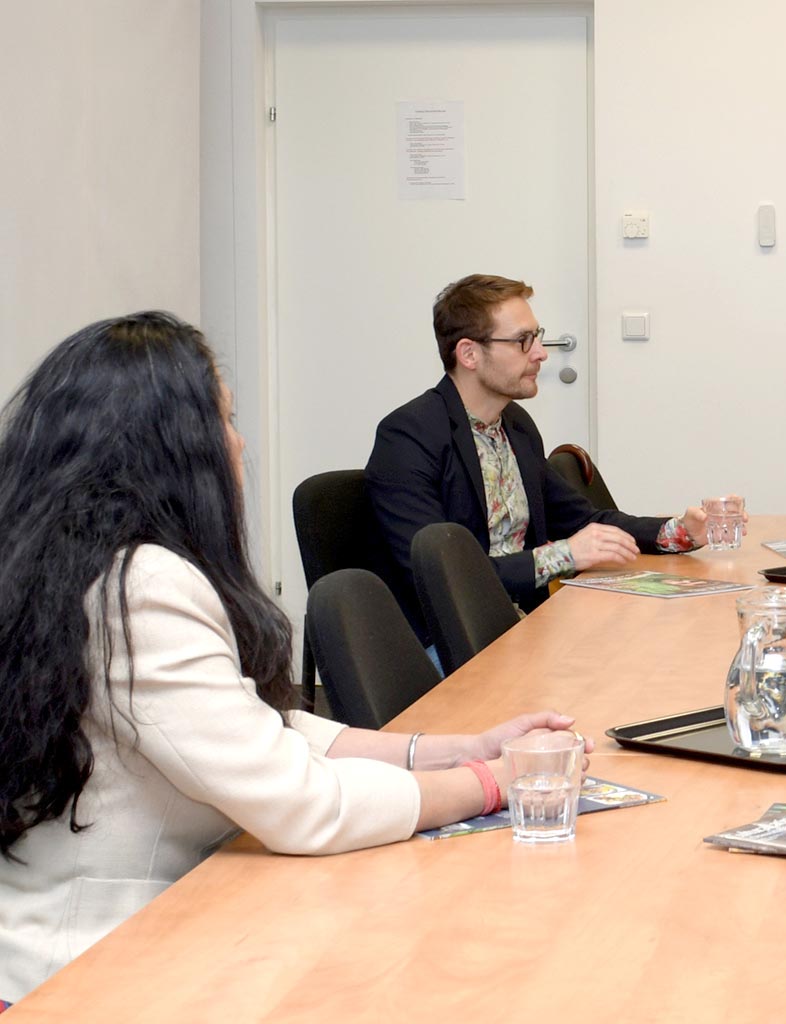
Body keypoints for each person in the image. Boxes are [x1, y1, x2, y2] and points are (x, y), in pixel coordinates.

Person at [0, 312, 592, 1003]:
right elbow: (302, 804)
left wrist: (459, 749)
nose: (239, 442)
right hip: (97, 971)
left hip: (124, 939)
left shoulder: (74, 566)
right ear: (169, 448)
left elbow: (253, 724)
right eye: (224, 420)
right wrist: (494, 784)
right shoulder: (143, 588)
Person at [366, 273, 729, 640]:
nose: (540, 353)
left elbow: (583, 521)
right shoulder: (407, 436)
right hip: (453, 639)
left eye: (537, 336)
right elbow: (439, 576)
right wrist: (564, 555)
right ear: (469, 353)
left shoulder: (515, 425)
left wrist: (678, 532)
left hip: (527, 622)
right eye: (523, 341)